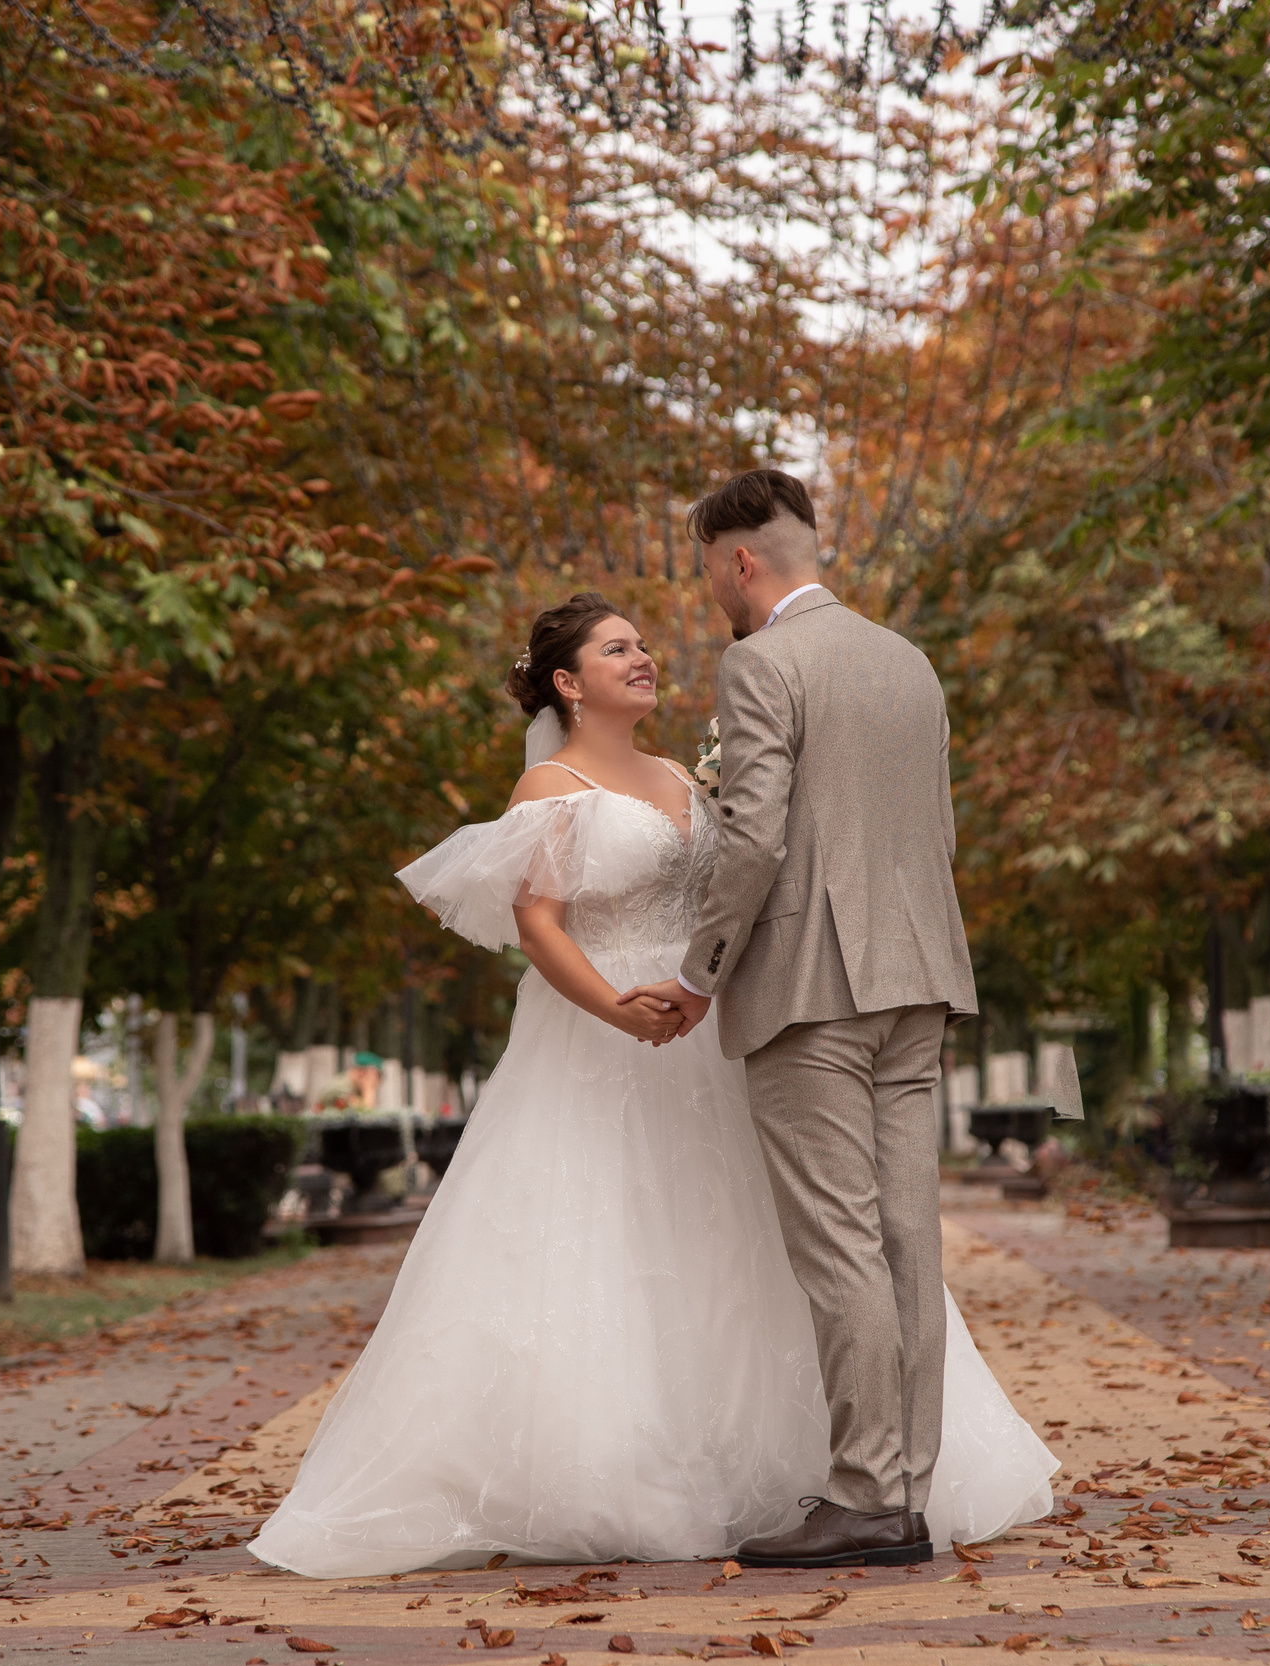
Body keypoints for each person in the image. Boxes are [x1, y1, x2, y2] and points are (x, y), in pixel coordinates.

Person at [250, 546, 1055, 1582]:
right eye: (615, 649)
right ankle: (633, 1468)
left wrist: (702, 984)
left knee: (761, 1244)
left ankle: (835, 1467)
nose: (643, 658)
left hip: (707, 1026)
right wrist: (614, 1009)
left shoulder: (683, 776)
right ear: (566, 682)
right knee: (617, 1240)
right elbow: (538, 924)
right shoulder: (550, 783)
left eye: (642, 644)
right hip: (606, 1036)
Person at [616, 468, 978, 1569]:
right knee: (908, 1240)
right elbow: (938, 830)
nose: (709, 592)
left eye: (706, 571)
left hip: (811, 988)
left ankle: (866, 1493)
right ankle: (906, 1494)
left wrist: (701, 970)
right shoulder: (907, 660)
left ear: (740, 561)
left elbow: (756, 834)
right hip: (918, 978)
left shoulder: (761, 662)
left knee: (840, 1244)